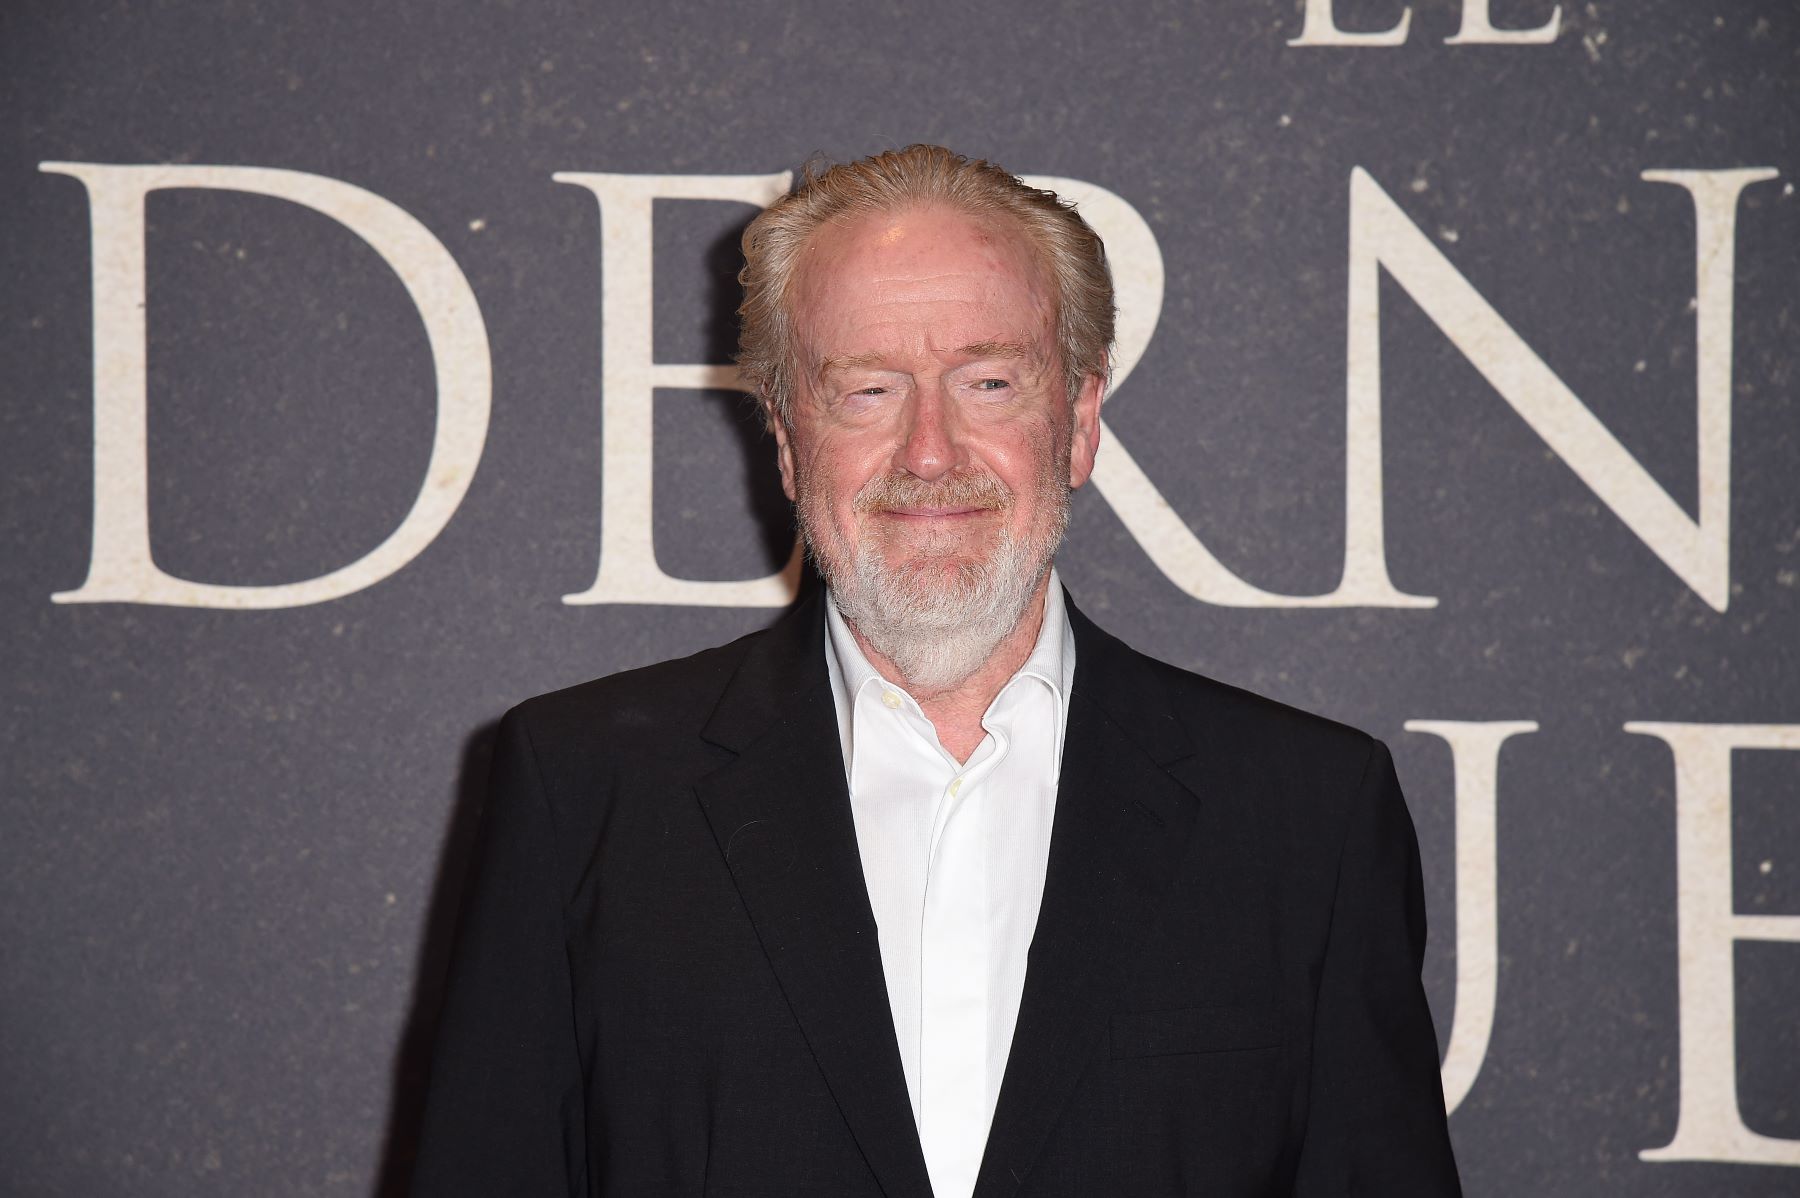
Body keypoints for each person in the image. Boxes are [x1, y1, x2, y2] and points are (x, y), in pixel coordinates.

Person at [411, 144, 1462, 1198]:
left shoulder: (1305, 817)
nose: (929, 451)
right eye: (867, 390)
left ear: (1079, 422)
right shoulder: (585, 794)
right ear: (787, 441)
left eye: (989, 383)